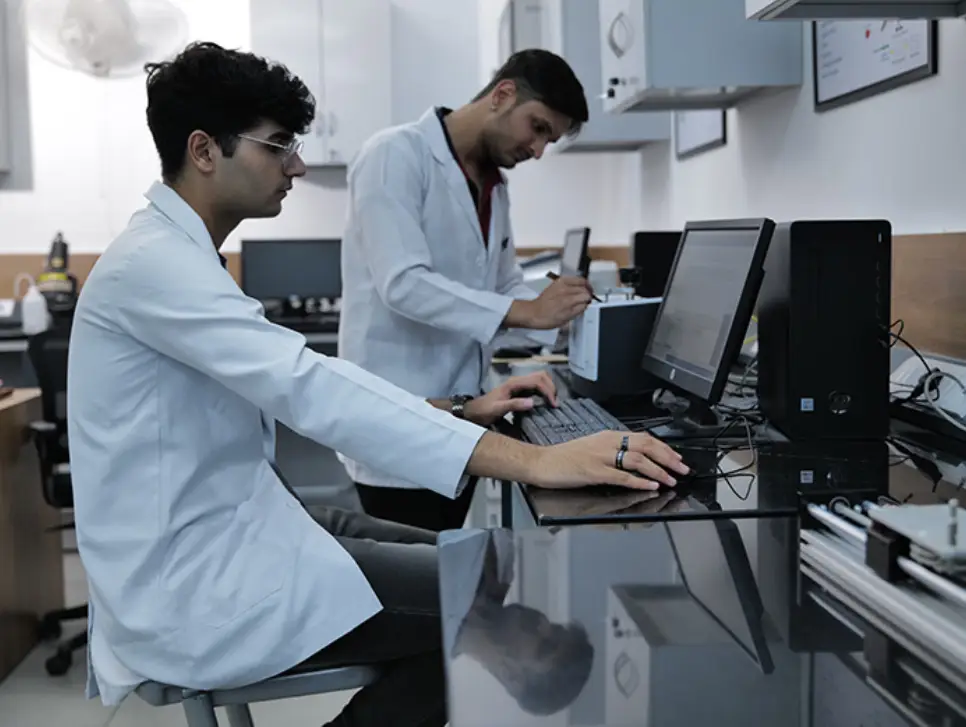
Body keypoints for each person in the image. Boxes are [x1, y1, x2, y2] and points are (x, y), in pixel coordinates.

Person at [65, 42, 688, 727]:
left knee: (483, 569)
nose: (298, 164)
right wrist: (540, 459)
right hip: (194, 577)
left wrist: (460, 409)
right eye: (278, 146)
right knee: (476, 614)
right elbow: (310, 384)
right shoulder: (153, 266)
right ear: (205, 150)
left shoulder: (181, 256)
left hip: (250, 522)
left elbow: (299, 385)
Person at [338, 48, 594, 532]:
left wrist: (562, 315)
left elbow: (503, 284)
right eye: (538, 128)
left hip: (462, 416)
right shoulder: (394, 154)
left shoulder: (494, 184)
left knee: (446, 575)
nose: (539, 150)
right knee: (416, 586)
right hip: (399, 415)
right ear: (502, 95)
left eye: (549, 140)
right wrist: (525, 312)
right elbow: (403, 284)